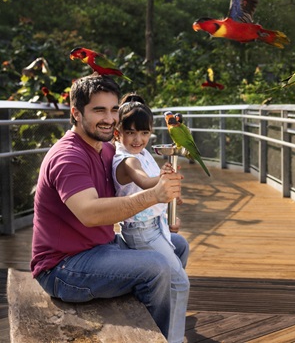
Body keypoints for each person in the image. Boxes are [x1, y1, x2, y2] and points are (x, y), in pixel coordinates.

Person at [31, 74, 189, 343]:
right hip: (63, 267)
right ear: (76, 113)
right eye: (98, 110)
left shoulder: (104, 149)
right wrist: (154, 195)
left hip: (100, 248)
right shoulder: (68, 157)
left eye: (114, 109)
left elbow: (131, 183)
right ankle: (162, 337)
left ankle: (153, 321)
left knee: (178, 244)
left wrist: (162, 205)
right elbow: (91, 213)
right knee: (158, 267)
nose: (109, 118)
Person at [113, 93, 190, 343]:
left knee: (181, 248)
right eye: (131, 133)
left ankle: (165, 315)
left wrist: (170, 205)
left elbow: (158, 190)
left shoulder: (143, 153)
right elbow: (145, 182)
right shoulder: (126, 159)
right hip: (141, 232)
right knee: (180, 283)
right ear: (118, 133)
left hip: (155, 227)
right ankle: (173, 338)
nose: (138, 139)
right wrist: (163, 180)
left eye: (144, 133)